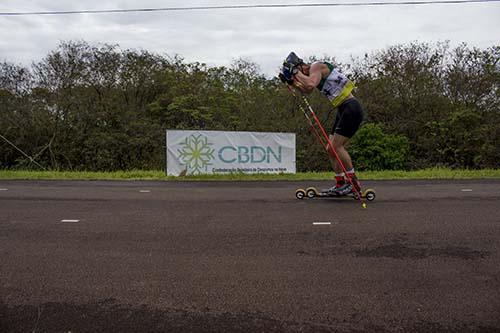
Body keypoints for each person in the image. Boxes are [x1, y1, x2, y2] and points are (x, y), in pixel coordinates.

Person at [279, 52, 364, 195]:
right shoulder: (311, 74)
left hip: (351, 107)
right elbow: (308, 89)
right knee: (330, 148)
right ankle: (340, 183)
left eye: (296, 72)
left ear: (299, 66)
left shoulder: (316, 67)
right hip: (343, 109)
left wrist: (294, 73)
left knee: (336, 146)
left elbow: (310, 83)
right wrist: (292, 83)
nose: (296, 76)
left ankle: (353, 182)